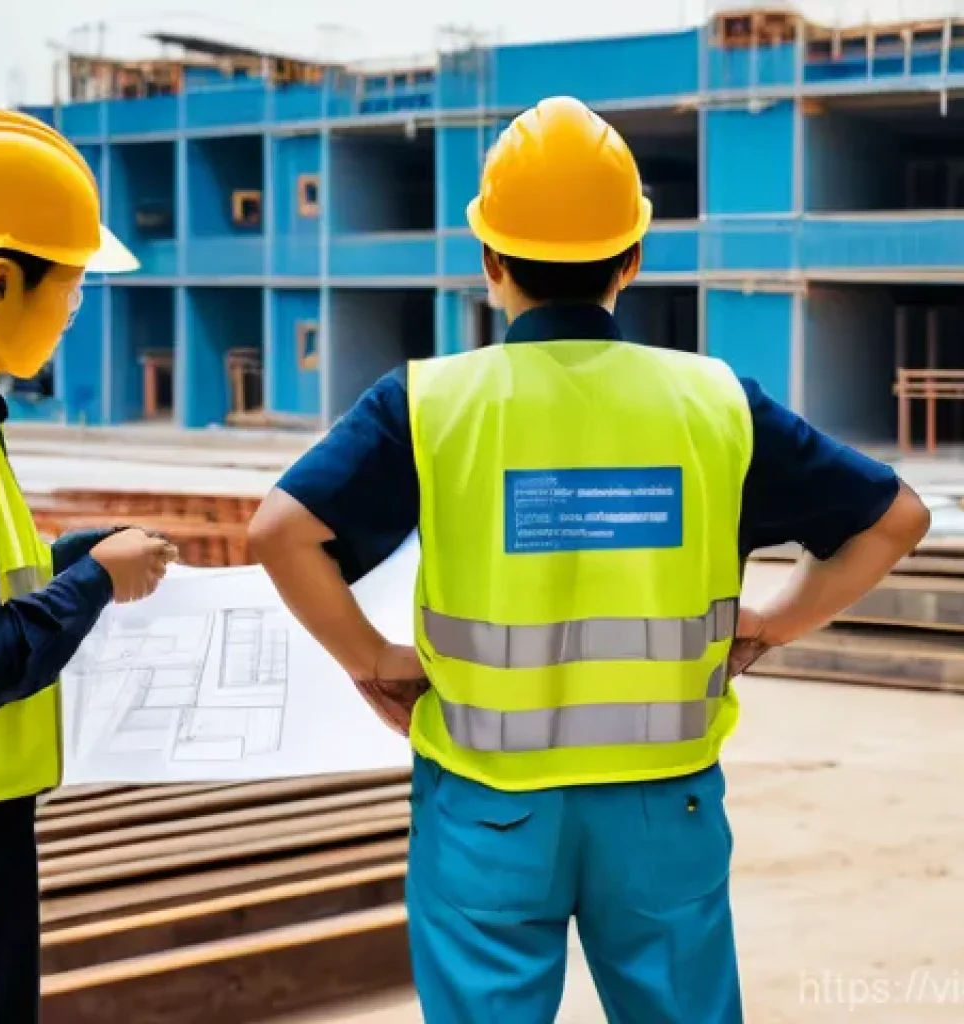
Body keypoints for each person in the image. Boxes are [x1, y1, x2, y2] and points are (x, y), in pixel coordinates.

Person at [248, 96, 931, 1023]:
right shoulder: (714, 402)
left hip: (488, 806)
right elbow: (897, 519)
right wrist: (774, 621)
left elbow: (279, 532)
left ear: (490, 261)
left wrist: (371, 660)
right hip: (662, 810)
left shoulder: (429, 402)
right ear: (633, 257)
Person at [0, 109, 177, 1024]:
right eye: (71, 295)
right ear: (0, 285)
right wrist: (95, 581)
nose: (73, 318)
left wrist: (72, 558)